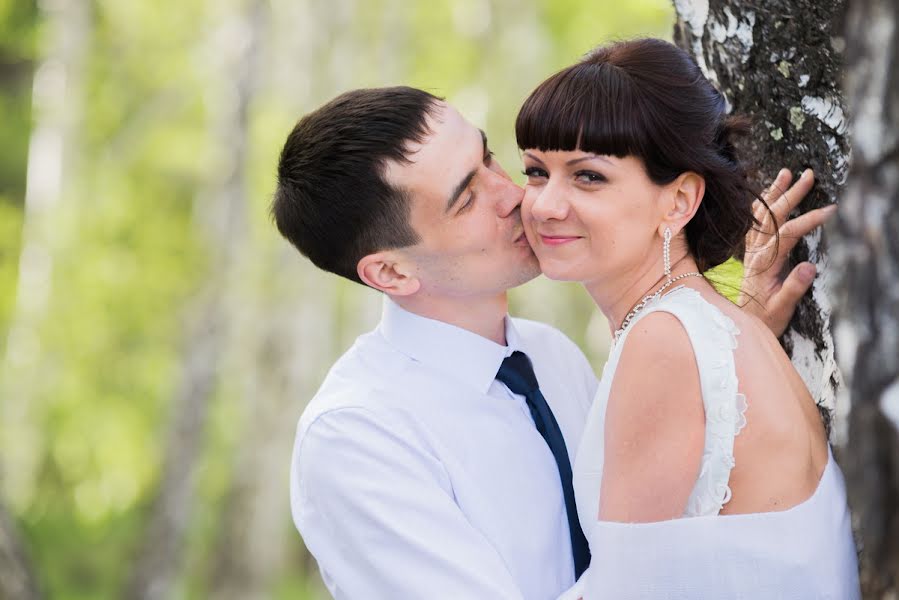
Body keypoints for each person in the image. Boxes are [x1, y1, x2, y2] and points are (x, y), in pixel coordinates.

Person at [272, 84, 832, 599]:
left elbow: (672, 503)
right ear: (391, 274)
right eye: (467, 198)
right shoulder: (358, 438)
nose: (518, 197)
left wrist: (720, 350)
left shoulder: (551, 355)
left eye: (489, 158)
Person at [516, 38, 859, 598]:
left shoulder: (665, 342)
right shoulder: (713, 327)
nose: (544, 205)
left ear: (678, 201)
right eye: (535, 171)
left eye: (588, 177)